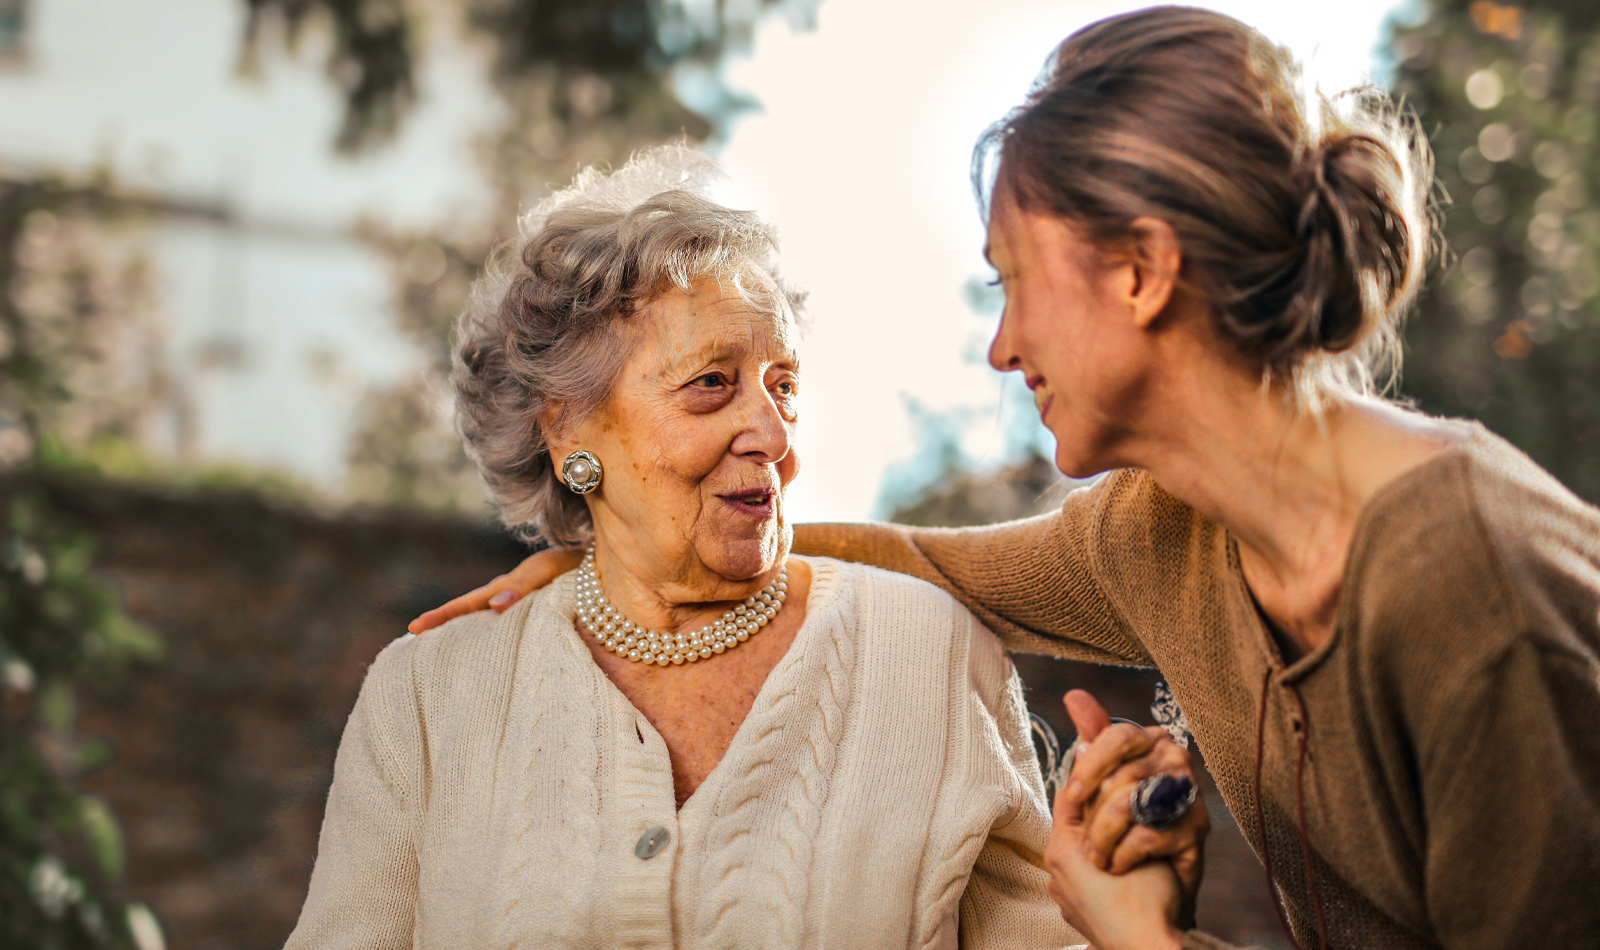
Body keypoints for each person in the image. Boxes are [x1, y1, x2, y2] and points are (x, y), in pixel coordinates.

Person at [410, 8, 1600, 950]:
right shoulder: (1162, 533)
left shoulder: (1470, 587)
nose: (1002, 345)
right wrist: (623, 538)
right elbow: (923, 561)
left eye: (1013, 279)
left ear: (1138, 271)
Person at [287, 145, 1128, 948]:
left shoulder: (932, 655)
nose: (771, 433)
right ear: (569, 425)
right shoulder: (428, 697)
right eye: (711, 384)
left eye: (784, 386)